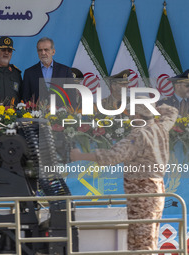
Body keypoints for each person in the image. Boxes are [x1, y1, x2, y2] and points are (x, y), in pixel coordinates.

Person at [70, 97, 178, 254]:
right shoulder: (161, 128)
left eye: (132, 113)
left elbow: (112, 156)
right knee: (149, 237)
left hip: (142, 192)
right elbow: (172, 112)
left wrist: (79, 156)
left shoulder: (139, 135)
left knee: (140, 241)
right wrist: (155, 108)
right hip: (155, 189)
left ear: (137, 116)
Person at [21, 37, 76, 108]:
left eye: (46, 50)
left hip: (60, 116)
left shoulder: (65, 71)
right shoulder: (29, 72)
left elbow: (72, 97)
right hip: (36, 117)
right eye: (40, 50)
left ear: (53, 52)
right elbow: (26, 99)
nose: (43, 53)